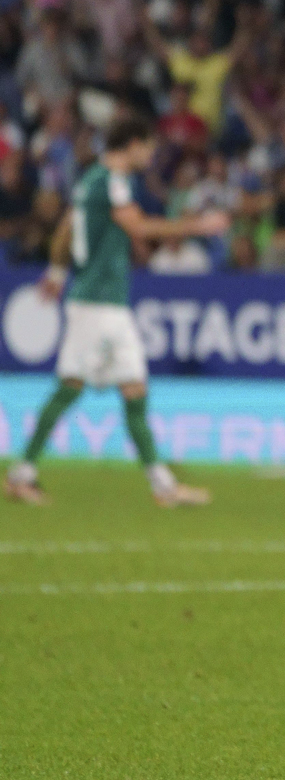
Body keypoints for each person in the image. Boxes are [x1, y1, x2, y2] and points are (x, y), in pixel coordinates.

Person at [4, 117, 229, 507]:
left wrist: (58, 271)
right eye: (148, 146)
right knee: (71, 385)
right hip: (97, 303)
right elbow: (138, 228)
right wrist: (198, 225)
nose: (151, 154)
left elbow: (65, 229)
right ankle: (21, 475)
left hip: (108, 302)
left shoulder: (89, 180)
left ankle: (163, 486)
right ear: (132, 144)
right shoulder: (112, 181)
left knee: (134, 388)